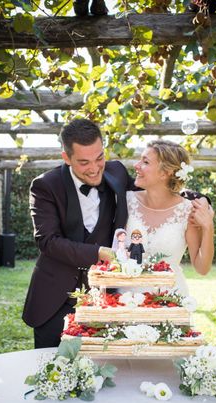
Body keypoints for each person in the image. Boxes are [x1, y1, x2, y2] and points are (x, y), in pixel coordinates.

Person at [22, 119, 135, 348]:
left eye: (99, 158)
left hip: (105, 297)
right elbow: (48, 241)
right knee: (51, 368)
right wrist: (100, 252)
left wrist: (193, 198)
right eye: (84, 162)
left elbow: (152, 193)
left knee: (103, 371)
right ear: (66, 157)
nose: (94, 168)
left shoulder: (118, 172)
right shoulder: (45, 185)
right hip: (55, 299)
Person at [125, 139, 214, 294]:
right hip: (124, 302)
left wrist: (208, 227)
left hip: (170, 301)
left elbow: (202, 268)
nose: (136, 165)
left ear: (165, 173)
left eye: (145, 162)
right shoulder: (125, 201)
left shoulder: (188, 211)